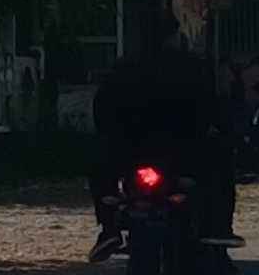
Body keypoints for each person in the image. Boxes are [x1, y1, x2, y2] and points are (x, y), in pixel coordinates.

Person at [88, 25, 237, 261]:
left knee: (101, 167)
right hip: (181, 149)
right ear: (174, 37)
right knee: (220, 161)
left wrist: (112, 135)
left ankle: (108, 228)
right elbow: (211, 108)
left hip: (130, 150)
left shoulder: (124, 68)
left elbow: (102, 109)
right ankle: (219, 227)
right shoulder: (190, 66)